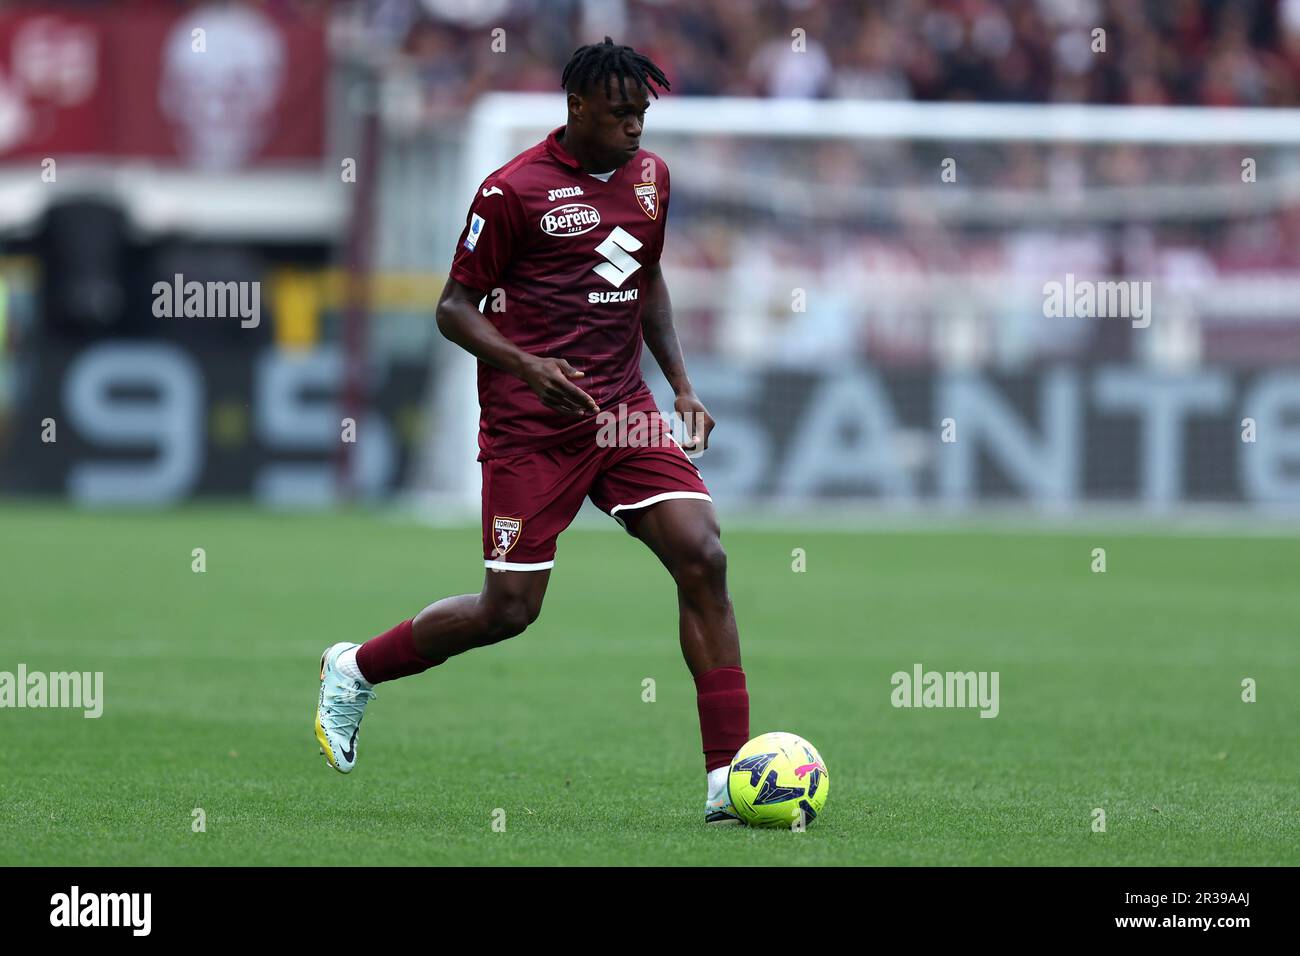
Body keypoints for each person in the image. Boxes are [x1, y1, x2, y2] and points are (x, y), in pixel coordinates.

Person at [314, 37, 749, 825]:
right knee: (509, 610)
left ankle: (727, 778)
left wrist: (681, 385)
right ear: (578, 107)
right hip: (530, 428)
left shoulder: (653, 180)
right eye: (620, 113)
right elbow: (452, 308)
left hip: (620, 412)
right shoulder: (511, 191)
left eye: (643, 114)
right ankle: (354, 668)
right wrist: (526, 365)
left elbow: (645, 279)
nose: (635, 129)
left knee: (704, 555)